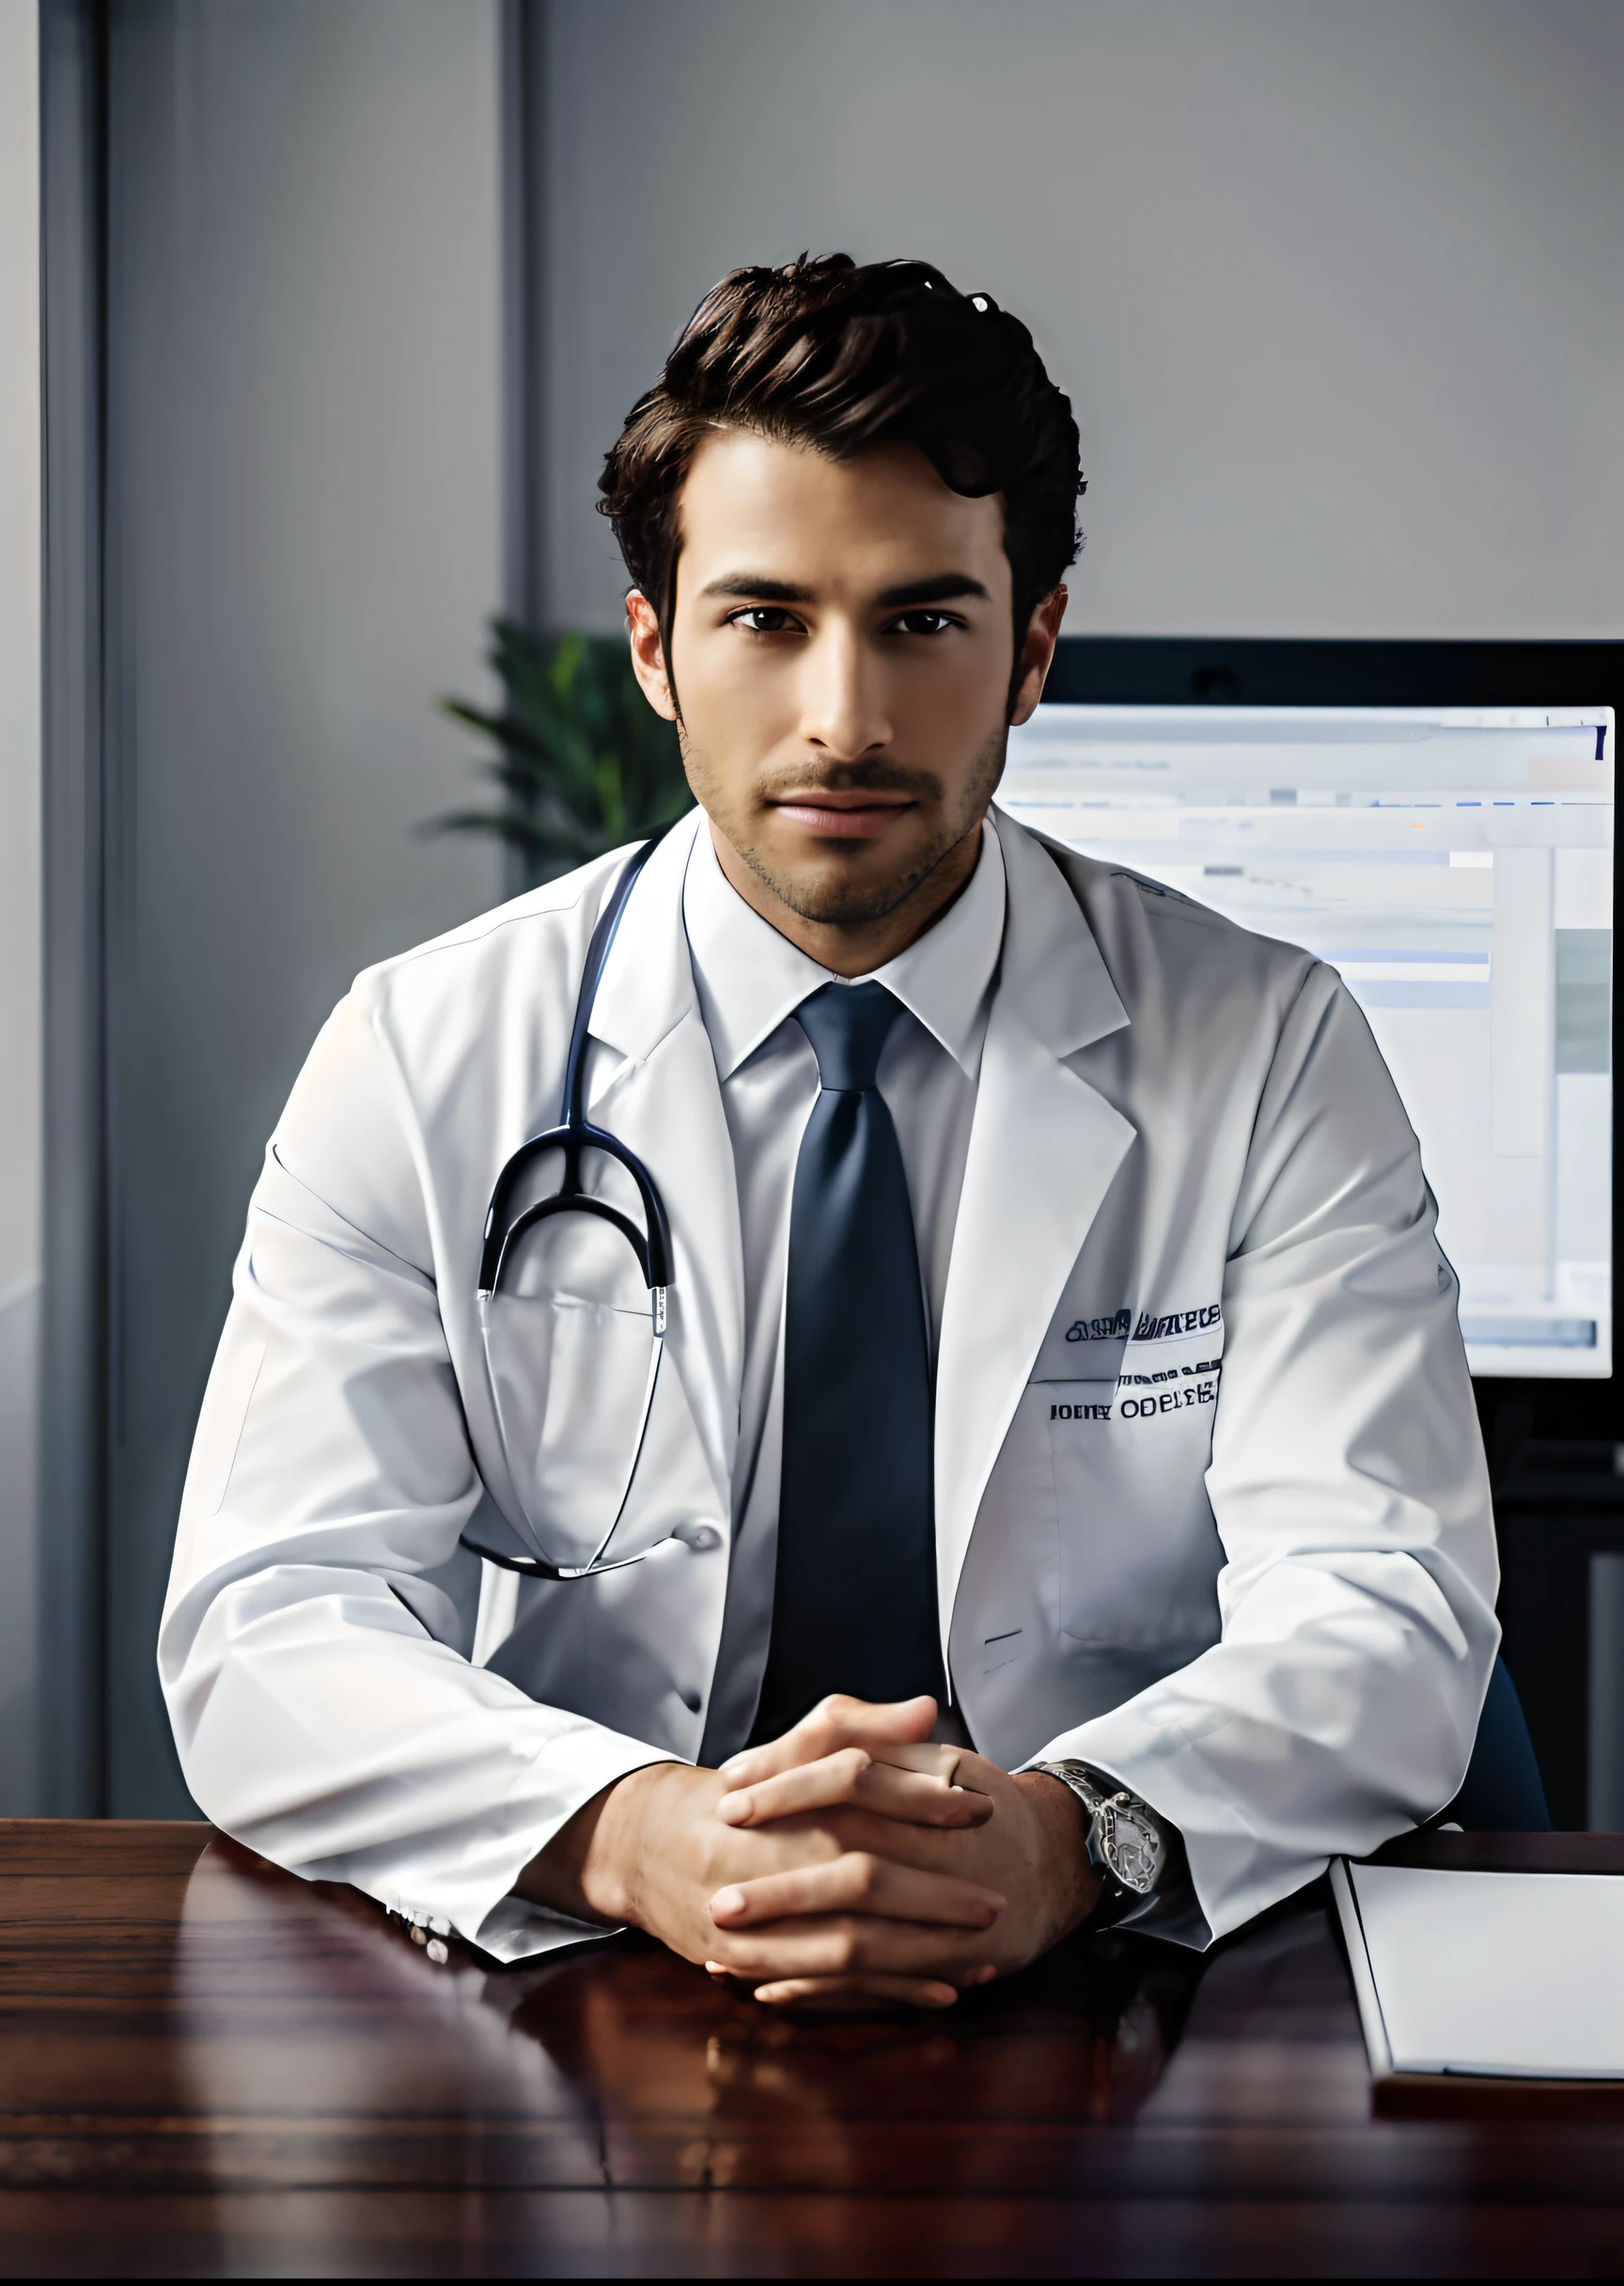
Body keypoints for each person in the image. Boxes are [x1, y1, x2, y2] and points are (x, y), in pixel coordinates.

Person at [160, 255, 1498, 2011]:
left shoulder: (1266, 1047)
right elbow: (274, 1624)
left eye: (923, 622)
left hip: (1106, 1991)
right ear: (655, 649)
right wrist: (632, 1834)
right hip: (583, 1981)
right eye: (766, 618)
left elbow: (1386, 1608)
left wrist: (1071, 1835)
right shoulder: (424, 1054)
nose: (845, 718)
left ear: (1032, 648)